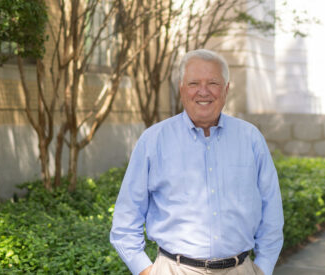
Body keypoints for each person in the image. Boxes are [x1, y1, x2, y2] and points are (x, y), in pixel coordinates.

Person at [110, 49, 284, 275]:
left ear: (226, 89)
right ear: (182, 88)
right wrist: (145, 271)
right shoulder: (153, 141)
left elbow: (271, 212)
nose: (203, 91)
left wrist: (264, 267)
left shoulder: (251, 139)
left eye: (213, 83)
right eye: (194, 83)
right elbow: (125, 220)